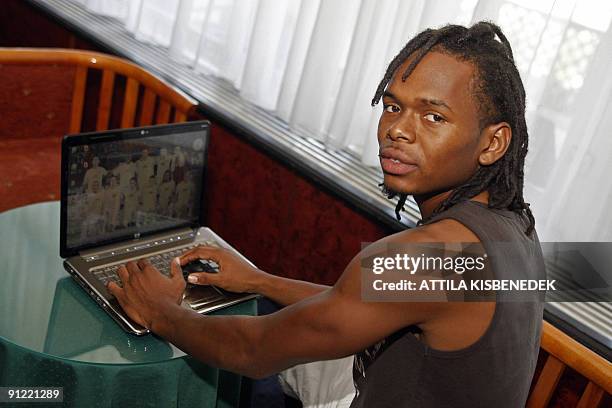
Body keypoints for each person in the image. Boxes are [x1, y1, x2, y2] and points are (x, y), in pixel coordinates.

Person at [107, 22, 545, 407]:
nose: (397, 129)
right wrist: (260, 279)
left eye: (433, 116)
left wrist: (161, 310)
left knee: (222, 348)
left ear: (493, 143)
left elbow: (252, 352)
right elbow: (359, 302)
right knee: (261, 315)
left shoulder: (424, 261)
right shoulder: (517, 227)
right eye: (393, 106)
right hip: (395, 379)